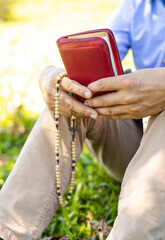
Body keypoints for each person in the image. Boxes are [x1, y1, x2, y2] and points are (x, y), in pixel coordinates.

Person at [0, 0, 165, 239]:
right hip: (138, 146)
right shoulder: (138, 6)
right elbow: (98, 55)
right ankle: (7, 230)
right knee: (74, 95)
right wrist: (51, 77)